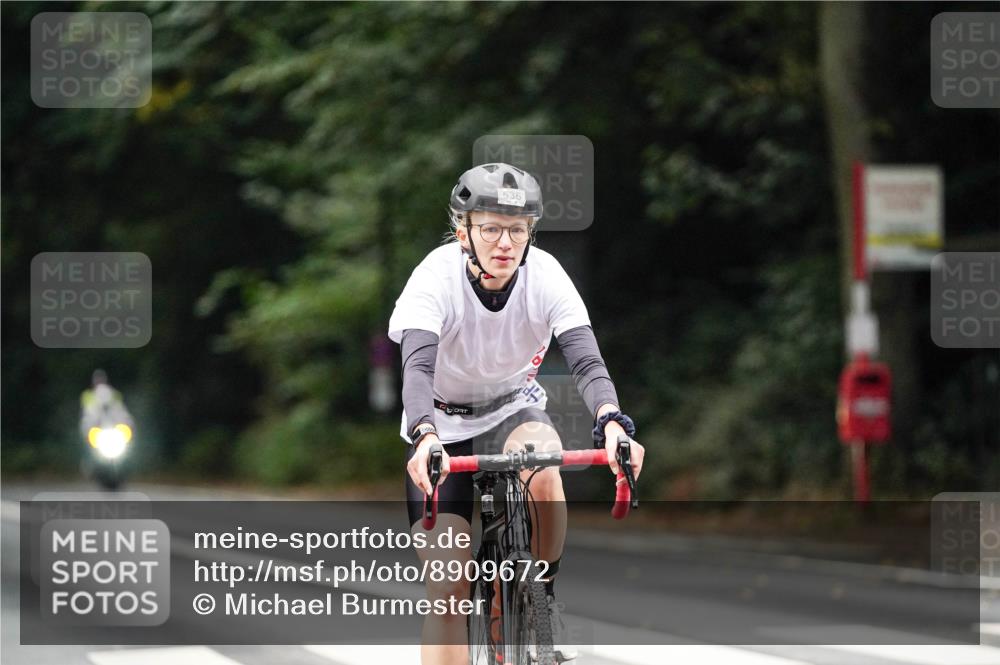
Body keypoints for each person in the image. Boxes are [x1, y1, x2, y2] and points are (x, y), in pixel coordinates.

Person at [389, 162, 645, 665]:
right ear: (463, 232)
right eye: (490, 229)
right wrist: (423, 434)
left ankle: (541, 594)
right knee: (447, 593)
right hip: (441, 428)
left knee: (544, 463)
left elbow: (586, 361)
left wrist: (613, 421)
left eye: (517, 229)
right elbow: (417, 368)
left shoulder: (545, 275)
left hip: (513, 409)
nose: (504, 242)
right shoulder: (434, 278)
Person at [79, 369, 132, 438]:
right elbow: (87, 416)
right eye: (97, 379)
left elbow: (121, 412)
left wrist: (127, 424)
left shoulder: (114, 394)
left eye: (101, 379)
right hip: (97, 432)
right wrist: (88, 429)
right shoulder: (87, 395)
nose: (99, 381)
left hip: (115, 430)